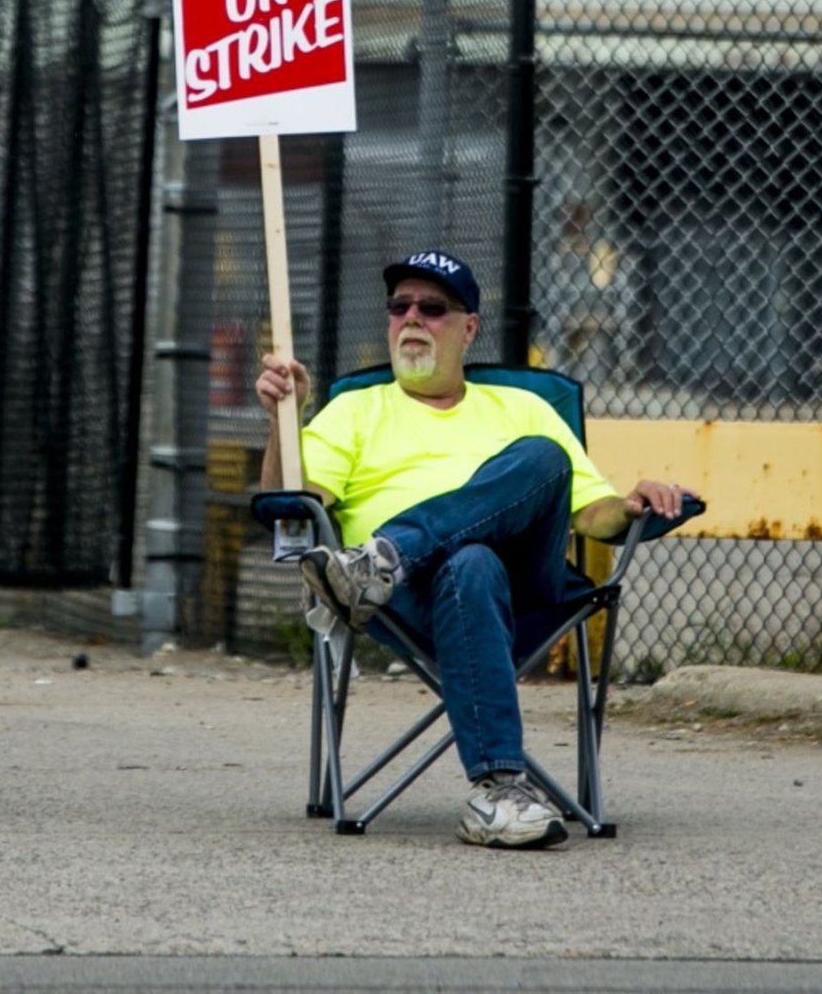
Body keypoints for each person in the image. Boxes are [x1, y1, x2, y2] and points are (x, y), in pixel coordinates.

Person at [255, 248, 691, 849]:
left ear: (469, 328)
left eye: (432, 308)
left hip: (524, 589)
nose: (412, 318)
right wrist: (284, 421)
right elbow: (289, 507)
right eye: (399, 306)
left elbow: (596, 517)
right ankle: (498, 791)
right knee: (470, 562)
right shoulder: (352, 411)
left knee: (543, 458)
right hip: (403, 604)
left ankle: (387, 555)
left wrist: (638, 503)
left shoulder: (524, 409)